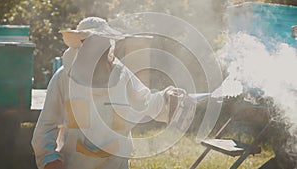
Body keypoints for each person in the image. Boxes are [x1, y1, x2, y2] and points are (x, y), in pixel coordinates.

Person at [32, 17, 186, 169]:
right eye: (94, 45)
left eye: (103, 44)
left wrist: (167, 97)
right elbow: (46, 126)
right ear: (82, 45)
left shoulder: (122, 75)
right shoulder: (63, 77)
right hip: (75, 164)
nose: (99, 51)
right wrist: (50, 160)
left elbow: (145, 102)